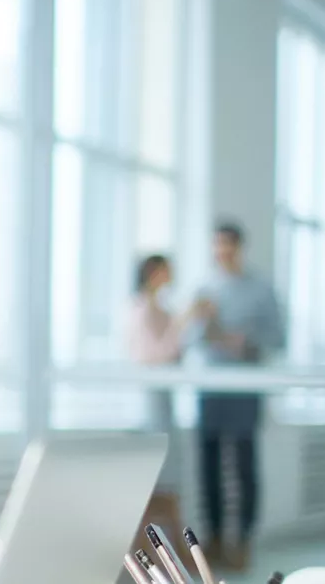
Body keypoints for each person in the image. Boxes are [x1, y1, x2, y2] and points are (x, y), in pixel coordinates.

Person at [187, 222, 285, 572]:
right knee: (209, 464)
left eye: (227, 246)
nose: (221, 253)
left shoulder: (260, 288)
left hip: (245, 387)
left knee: (243, 466)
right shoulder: (204, 288)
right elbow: (191, 338)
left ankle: (242, 540)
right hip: (211, 387)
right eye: (216, 247)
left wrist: (244, 341)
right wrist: (204, 324)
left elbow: (278, 337)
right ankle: (213, 540)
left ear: (239, 247)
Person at [126, 254, 209, 574]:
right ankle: (163, 558)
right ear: (152, 273)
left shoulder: (161, 310)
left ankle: (177, 557)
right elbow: (156, 356)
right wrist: (183, 321)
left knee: (169, 481)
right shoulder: (140, 309)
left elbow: (176, 352)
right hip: (149, 403)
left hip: (165, 403)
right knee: (157, 483)